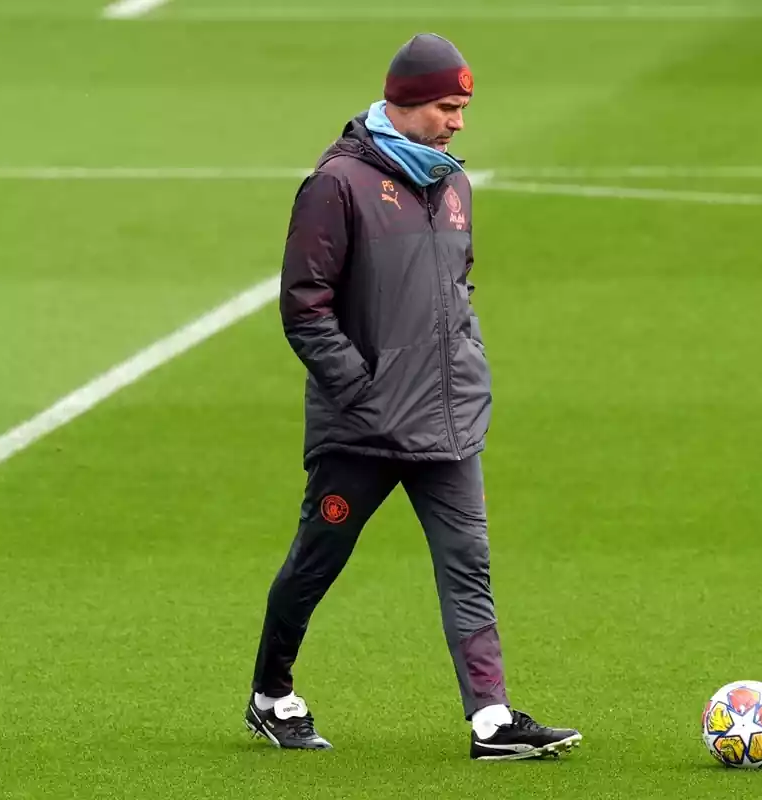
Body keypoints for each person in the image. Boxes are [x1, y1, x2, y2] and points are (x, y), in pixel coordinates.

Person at [244, 33, 582, 761]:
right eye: (447, 107)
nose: (459, 121)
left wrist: (466, 369)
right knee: (317, 560)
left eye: (462, 107)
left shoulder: (453, 184)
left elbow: (457, 292)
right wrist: (361, 393)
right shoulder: (336, 186)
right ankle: (272, 694)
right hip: (362, 430)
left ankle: (490, 720)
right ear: (403, 104)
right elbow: (304, 306)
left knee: (469, 560)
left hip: (446, 419)